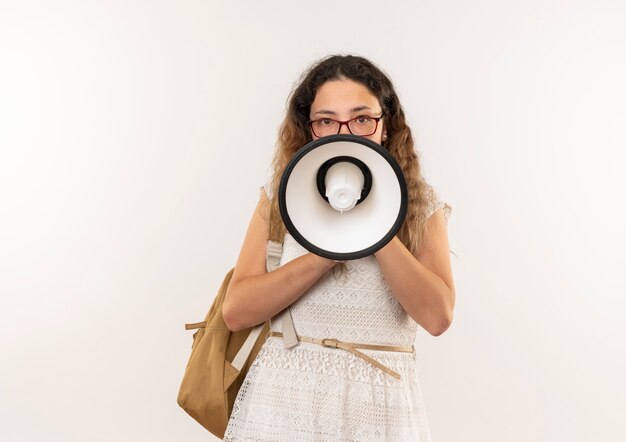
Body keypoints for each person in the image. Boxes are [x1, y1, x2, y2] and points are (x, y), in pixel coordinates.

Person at [221, 54, 455, 441]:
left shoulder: (420, 206)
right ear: (310, 129)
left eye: (362, 118)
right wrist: (326, 252)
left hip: (378, 408)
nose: (344, 133)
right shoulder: (279, 198)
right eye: (326, 120)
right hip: (285, 401)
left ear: (385, 125)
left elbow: (437, 317)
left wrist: (375, 229)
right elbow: (236, 312)